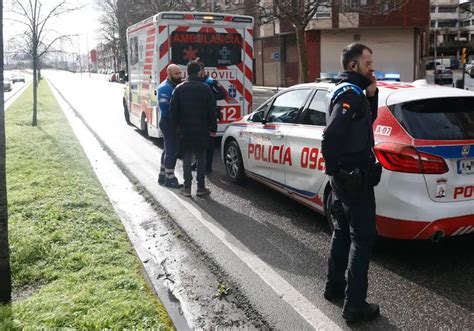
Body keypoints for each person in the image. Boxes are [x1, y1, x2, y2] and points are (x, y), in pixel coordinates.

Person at [321, 43, 382, 323]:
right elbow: (332, 135)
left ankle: (334, 288)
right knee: (362, 237)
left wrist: (373, 93)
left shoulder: (351, 91)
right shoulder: (350, 94)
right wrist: (338, 171)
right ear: (353, 65)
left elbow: (365, 121)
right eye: (367, 63)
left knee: (343, 231)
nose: (372, 67)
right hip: (353, 176)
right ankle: (354, 305)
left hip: (344, 177)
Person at [170, 62, 217, 197]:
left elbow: (173, 111)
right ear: (199, 73)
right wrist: (213, 127)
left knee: (187, 157)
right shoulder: (205, 88)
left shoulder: (179, 89)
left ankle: (187, 187)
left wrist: (176, 128)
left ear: (187, 72)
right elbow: (211, 111)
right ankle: (201, 187)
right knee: (201, 156)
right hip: (201, 129)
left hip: (185, 129)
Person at [192, 60, 226, 173]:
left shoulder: (210, 81)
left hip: (209, 114)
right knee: (196, 140)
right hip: (197, 115)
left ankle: (208, 166)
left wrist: (209, 98)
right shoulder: (195, 82)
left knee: (209, 142)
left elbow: (222, 94)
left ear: (203, 70)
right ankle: (197, 162)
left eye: (199, 70)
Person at [157, 64, 182, 188]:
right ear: (169, 74)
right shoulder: (165, 88)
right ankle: (170, 178)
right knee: (171, 151)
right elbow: (165, 109)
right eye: (176, 74)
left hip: (171, 122)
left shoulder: (174, 85)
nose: (179, 76)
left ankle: (163, 175)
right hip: (168, 122)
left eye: (179, 73)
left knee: (168, 150)